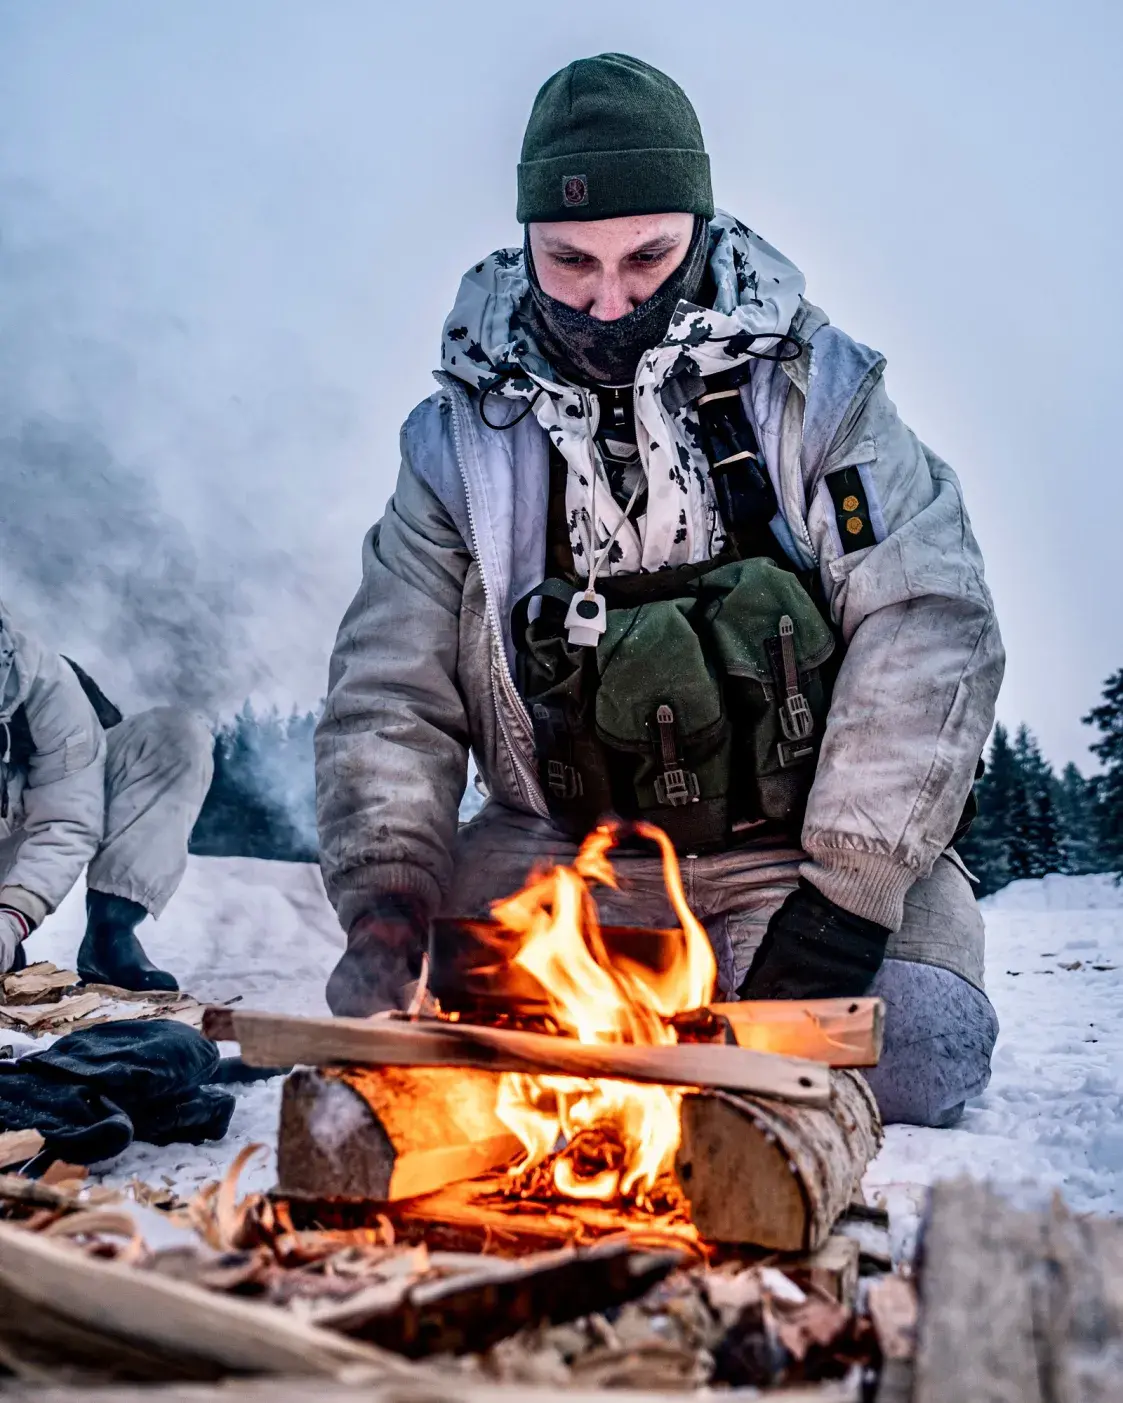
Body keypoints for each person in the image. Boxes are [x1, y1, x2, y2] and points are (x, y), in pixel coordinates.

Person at [314, 54, 1005, 1127]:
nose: (608, 297)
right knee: (447, 1041)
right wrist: (385, 903)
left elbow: (928, 624)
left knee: (916, 1046)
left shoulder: (818, 392)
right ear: (525, 241)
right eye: (568, 260)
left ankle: (733, 990)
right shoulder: (453, 441)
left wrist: (846, 896)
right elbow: (388, 691)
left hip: (798, 855)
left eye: (647, 256)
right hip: (568, 857)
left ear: (699, 222)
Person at [0, 604, 214, 991]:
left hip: (52, 807)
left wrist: (14, 916)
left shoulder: (48, 684)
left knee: (174, 737)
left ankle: (110, 934)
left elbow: (66, 821)